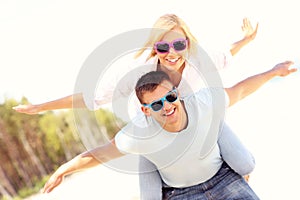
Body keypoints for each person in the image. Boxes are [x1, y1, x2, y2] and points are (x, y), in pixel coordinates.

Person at [13, 14, 259, 199]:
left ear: (188, 43)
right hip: (152, 135)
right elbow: (91, 98)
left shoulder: (198, 61)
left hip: (192, 129)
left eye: (179, 45)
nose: (171, 53)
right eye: (163, 47)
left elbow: (228, 56)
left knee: (239, 162)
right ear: (155, 48)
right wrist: (42, 107)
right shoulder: (136, 72)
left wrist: (247, 40)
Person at [42, 62, 296, 199]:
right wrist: (64, 170)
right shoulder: (139, 133)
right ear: (145, 110)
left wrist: (274, 72)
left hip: (224, 179)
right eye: (156, 104)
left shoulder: (203, 103)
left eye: (170, 97)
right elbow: (100, 154)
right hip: (182, 194)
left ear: (177, 93)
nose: (167, 107)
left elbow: (240, 90)